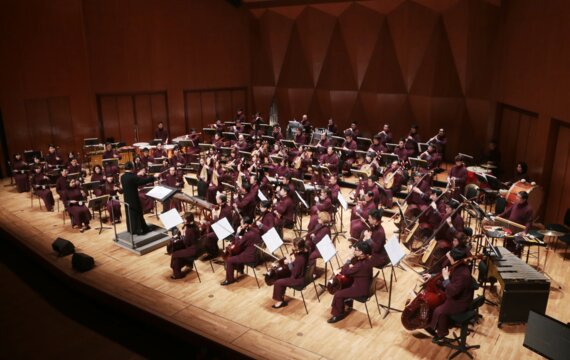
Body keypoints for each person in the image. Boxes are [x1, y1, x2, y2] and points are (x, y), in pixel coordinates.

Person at [423, 246, 474, 343]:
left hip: (460, 301)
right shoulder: (458, 265)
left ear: (454, 259)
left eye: (450, 257)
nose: (448, 258)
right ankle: (440, 325)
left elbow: (452, 291)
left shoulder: (463, 274)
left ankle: (442, 333)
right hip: (456, 295)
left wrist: (446, 279)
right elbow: (448, 277)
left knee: (439, 311)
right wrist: (432, 276)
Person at [328, 241, 373, 324]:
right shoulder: (368, 260)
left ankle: (338, 315)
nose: (354, 251)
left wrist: (348, 260)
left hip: (360, 289)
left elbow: (345, 271)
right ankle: (347, 305)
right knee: (345, 285)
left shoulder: (360, 265)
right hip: (364, 285)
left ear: (361, 252)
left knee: (338, 294)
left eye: (356, 250)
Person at [120, 161, 160, 235]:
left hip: (127, 199)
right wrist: (154, 177)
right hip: (134, 198)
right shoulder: (132, 177)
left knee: (130, 214)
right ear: (132, 168)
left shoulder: (122, 177)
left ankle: (132, 229)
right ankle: (139, 229)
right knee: (137, 213)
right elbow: (143, 181)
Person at [221, 216, 262, 286]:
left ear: (246, 224)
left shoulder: (248, 235)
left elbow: (238, 244)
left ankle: (229, 279)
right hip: (255, 253)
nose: (240, 225)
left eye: (241, 224)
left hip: (249, 256)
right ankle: (240, 269)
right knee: (238, 252)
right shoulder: (256, 229)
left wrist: (237, 233)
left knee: (229, 260)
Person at [271, 238, 309, 309]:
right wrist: (291, 260)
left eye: (292, 245)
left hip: (298, 280)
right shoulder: (305, 251)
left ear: (297, 247)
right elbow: (297, 264)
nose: (291, 245)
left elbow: (294, 273)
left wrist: (289, 261)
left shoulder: (300, 259)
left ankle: (280, 301)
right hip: (301, 275)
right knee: (281, 277)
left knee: (278, 282)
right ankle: (281, 297)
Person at [170, 213, 200, 279]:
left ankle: (177, 274)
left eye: (184, 219)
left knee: (175, 254)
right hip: (195, 247)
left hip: (192, 250)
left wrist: (183, 234)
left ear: (188, 220)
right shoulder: (193, 225)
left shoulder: (189, 230)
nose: (183, 220)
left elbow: (186, 242)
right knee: (177, 253)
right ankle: (177, 270)